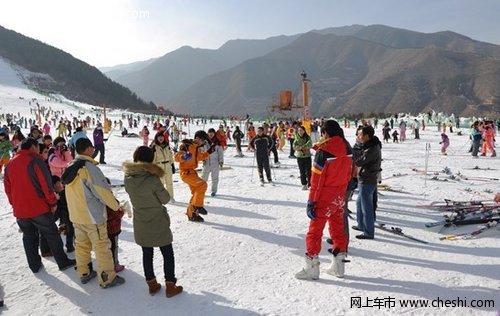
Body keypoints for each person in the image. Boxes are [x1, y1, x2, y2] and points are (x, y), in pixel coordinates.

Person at [4, 138, 75, 273]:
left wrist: (15, 203)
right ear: (32, 147)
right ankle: (62, 261)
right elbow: (46, 185)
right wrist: (52, 202)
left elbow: (8, 188)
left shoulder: (10, 164)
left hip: (21, 209)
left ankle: (34, 265)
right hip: (38, 207)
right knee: (51, 233)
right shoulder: (35, 161)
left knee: (28, 236)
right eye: (37, 147)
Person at [61, 138, 125, 288]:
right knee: (102, 246)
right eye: (92, 148)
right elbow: (102, 191)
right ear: (89, 149)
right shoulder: (88, 168)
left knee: (82, 245)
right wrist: (116, 206)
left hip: (76, 216)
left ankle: (84, 272)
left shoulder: (71, 166)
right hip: (92, 216)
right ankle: (107, 278)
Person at [295, 120, 352, 280]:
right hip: (339, 197)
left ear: (326, 133)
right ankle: (338, 266)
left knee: (314, 233)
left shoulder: (323, 152)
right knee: (338, 230)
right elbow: (349, 174)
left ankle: (312, 268)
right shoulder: (348, 148)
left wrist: (311, 202)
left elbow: (316, 182)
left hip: (324, 199)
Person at [123, 146, 183, 297]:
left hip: (140, 220)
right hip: (157, 219)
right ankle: (170, 285)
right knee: (167, 252)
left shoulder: (128, 178)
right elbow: (165, 199)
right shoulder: (152, 179)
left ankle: (152, 285)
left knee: (147, 253)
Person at [174, 130, 212, 222]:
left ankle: (192, 214)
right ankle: (197, 206)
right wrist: (183, 157)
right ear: (197, 138)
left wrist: (209, 152)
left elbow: (199, 157)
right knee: (202, 185)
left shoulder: (197, 148)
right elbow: (176, 157)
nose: (203, 142)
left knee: (196, 192)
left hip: (192, 173)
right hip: (186, 173)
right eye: (203, 140)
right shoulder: (186, 145)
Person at [353, 125, 382, 240]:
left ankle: (369, 232)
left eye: (360, 135)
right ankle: (361, 225)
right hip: (364, 179)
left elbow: (358, 161)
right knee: (359, 204)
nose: (358, 137)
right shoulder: (369, 145)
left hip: (367, 180)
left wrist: (355, 152)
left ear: (367, 136)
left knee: (367, 207)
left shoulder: (371, 148)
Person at [104, 178, 125, 273]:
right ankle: (115, 264)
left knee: (106, 247)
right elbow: (117, 213)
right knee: (114, 247)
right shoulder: (110, 199)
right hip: (113, 228)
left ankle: (107, 264)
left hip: (103, 228)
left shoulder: (97, 197)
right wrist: (122, 211)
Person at [52, 175, 74, 253]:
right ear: (53, 186)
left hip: (66, 214)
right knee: (70, 230)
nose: (60, 185)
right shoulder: (55, 194)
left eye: (60, 183)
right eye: (57, 184)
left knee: (70, 230)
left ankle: (69, 246)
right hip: (64, 214)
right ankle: (69, 246)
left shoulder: (64, 192)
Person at [151, 131, 175, 202]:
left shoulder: (167, 146)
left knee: (169, 183)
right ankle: (161, 198)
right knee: (161, 184)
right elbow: (153, 160)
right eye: (159, 137)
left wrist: (172, 165)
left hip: (167, 166)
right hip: (159, 166)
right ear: (156, 138)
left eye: (162, 136)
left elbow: (170, 156)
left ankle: (171, 197)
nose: (161, 138)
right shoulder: (154, 147)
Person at [202, 128, 224, 196]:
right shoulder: (204, 142)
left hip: (215, 163)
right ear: (208, 134)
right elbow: (202, 150)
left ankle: (214, 191)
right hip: (206, 162)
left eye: (212, 133)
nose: (211, 134)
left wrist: (221, 161)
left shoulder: (217, 143)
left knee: (215, 178)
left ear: (214, 134)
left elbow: (220, 153)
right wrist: (202, 158)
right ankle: (202, 191)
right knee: (203, 178)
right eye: (209, 133)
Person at [293, 125, 312, 190]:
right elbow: (294, 146)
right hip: (299, 156)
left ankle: (310, 183)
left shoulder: (307, 137)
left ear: (304, 131)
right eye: (298, 131)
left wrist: (302, 147)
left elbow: (310, 144)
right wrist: (299, 148)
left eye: (301, 130)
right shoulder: (297, 139)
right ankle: (303, 184)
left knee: (308, 171)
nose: (300, 132)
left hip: (307, 156)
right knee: (302, 171)